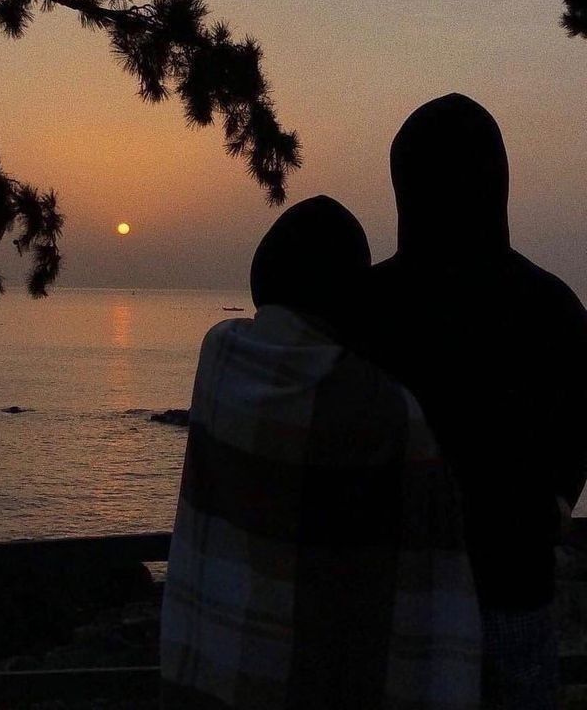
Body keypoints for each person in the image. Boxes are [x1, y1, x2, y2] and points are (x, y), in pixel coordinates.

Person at [161, 195, 480, 710]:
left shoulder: (219, 357)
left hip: (215, 677)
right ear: (351, 299)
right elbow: (434, 584)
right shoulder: (387, 413)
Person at [363, 93, 587, 709]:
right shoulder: (551, 305)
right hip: (513, 582)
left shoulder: (364, 306)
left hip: (387, 596)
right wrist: (558, 499)